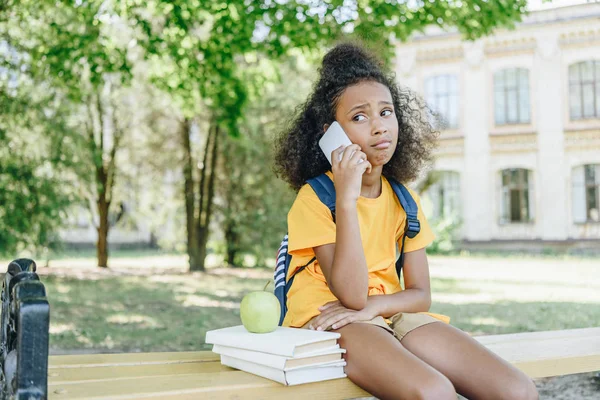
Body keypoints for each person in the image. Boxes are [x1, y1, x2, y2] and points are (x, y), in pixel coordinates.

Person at [273, 42, 538, 400]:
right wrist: (347, 200)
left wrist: (378, 306)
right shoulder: (315, 197)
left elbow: (421, 295)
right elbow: (350, 296)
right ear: (329, 135)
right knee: (433, 393)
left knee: (517, 391)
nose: (380, 126)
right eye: (359, 117)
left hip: (387, 310)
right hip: (329, 316)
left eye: (386, 112)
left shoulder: (404, 201)